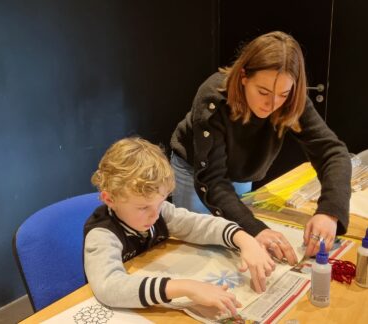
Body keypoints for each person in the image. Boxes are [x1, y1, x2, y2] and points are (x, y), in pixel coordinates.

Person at [170, 31, 351, 263]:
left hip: (241, 168)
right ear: (244, 76)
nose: (273, 104)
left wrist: (329, 211)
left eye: (283, 94)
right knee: (199, 248)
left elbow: (332, 152)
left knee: (240, 243)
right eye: (263, 92)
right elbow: (212, 182)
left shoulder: (292, 101)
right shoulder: (214, 97)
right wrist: (256, 228)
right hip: (196, 169)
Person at [84, 137, 275, 316]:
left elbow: (199, 225)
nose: (155, 214)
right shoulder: (102, 234)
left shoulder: (159, 211)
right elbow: (108, 287)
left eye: (160, 202)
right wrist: (187, 287)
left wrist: (244, 240)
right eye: (143, 207)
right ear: (109, 199)